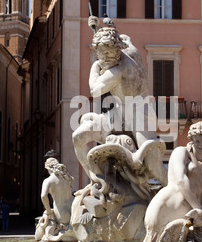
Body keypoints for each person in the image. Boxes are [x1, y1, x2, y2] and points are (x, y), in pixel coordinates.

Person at [72, 16, 168, 187]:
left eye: (110, 53)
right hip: (117, 113)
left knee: (153, 166)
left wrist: (95, 65)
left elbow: (94, 90)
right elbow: (125, 37)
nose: (106, 57)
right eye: (102, 53)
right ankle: (97, 180)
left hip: (140, 113)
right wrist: (102, 28)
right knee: (78, 137)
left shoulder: (118, 71)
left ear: (118, 50)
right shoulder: (129, 48)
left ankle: (174, 190)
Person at [141, 121, 202, 242]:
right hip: (165, 209)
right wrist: (198, 208)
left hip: (188, 216)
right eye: (197, 141)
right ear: (192, 139)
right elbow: (180, 180)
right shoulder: (181, 152)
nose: (200, 145)